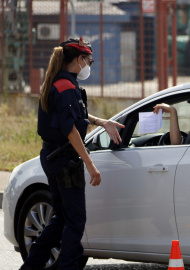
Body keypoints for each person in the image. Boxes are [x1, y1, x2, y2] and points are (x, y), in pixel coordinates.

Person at [19, 37, 125, 270]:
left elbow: (76, 117)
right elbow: (70, 130)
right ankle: (67, 266)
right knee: (75, 220)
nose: (90, 65)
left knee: (61, 218)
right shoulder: (66, 87)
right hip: (65, 161)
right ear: (79, 59)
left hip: (53, 157)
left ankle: (31, 266)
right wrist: (89, 163)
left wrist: (102, 122)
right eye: (90, 60)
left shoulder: (59, 82)